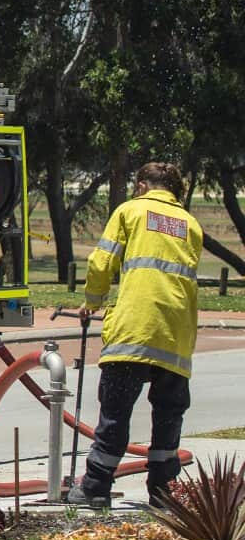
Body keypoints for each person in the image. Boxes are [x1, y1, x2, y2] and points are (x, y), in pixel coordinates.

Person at [67, 162, 203, 508]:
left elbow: (101, 262)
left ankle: (95, 487)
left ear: (142, 185)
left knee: (115, 412)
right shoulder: (190, 224)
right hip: (176, 336)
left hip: (136, 329)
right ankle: (162, 491)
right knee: (169, 415)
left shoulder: (131, 210)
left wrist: (92, 302)